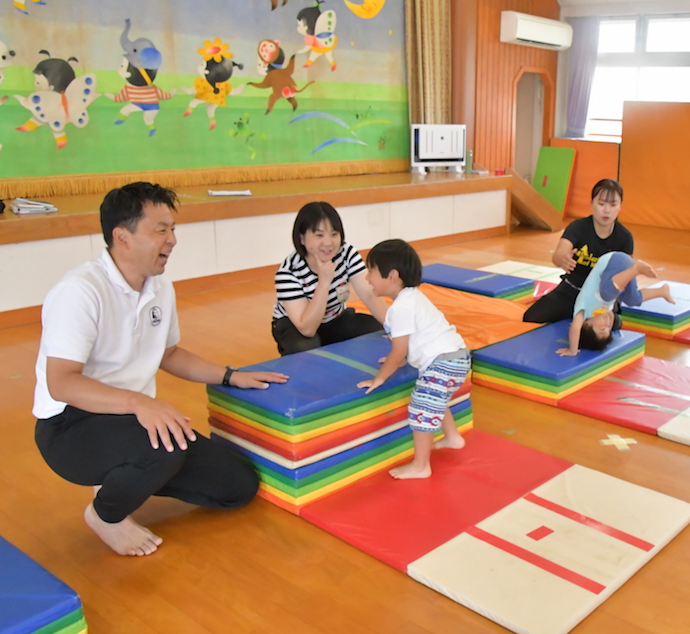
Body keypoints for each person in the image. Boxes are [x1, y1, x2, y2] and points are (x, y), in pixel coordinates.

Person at [32, 182, 288, 557]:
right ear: (122, 237)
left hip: (129, 420)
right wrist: (140, 403)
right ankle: (105, 515)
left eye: (173, 229)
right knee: (162, 449)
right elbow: (62, 383)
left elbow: (168, 354)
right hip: (70, 426)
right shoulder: (80, 291)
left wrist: (231, 375)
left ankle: (124, 474)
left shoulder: (159, 288)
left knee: (237, 486)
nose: (172, 240)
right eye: (161, 230)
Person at [357, 239, 470, 480]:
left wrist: (379, 378)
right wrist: (396, 359)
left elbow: (399, 350)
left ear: (392, 276)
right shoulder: (412, 296)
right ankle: (452, 437)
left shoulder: (401, 308)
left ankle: (421, 466)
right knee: (436, 399)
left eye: (371, 272)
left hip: (442, 362)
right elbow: (408, 345)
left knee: (422, 407)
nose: (367, 278)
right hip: (457, 356)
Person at [272, 201, 387, 355]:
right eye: (319, 235)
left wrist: (393, 327)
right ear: (302, 239)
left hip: (334, 319)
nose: (328, 243)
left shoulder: (346, 253)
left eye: (334, 234)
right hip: (296, 325)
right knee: (306, 348)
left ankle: (328, 343)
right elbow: (307, 328)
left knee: (377, 330)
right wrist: (324, 282)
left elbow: (369, 294)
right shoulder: (288, 272)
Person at [523, 179, 633, 324]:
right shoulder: (578, 227)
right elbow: (558, 255)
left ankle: (582, 316)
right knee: (531, 317)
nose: (607, 210)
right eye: (601, 204)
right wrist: (563, 259)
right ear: (592, 204)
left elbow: (627, 275)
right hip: (570, 291)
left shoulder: (624, 237)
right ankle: (576, 314)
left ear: (620, 207)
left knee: (612, 325)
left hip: (600, 297)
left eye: (613, 205)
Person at [556, 251, 673, 356]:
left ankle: (636, 270)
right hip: (625, 267)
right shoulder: (605, 311)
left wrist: (573, 350)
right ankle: (661, 291)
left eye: (602, 329)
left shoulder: (583, 311)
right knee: (632, 300)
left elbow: (575, 328)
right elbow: (611, 316)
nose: (607, 324)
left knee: (607, 294)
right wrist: (608, 323)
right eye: (608, 328)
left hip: (612, 261)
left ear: (586, 325)